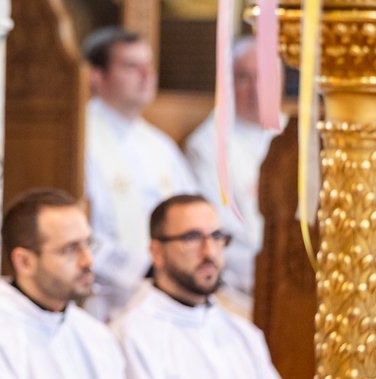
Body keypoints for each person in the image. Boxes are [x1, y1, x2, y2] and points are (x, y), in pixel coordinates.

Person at [82, 27, 198, 321]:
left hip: (170, 296)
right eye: (131, 66)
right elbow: (82, 233)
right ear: (97, 77)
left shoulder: (161, 146)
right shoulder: (79, 141)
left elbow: (194, 214)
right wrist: (150, 272)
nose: (146, 75)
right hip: (109, 303)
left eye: (149, 64)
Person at [111, 195, 281, 379]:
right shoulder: (132, 336)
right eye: (192, 238)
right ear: (157, 252)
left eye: (216, 236)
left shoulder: (244, 335)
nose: (210, 252)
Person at [0, 188, 125, 379]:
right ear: (24, 262)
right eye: (70, 249)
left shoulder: (96, 335)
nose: (88, 260)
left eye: (88, 243)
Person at [185, 36, 283, 299]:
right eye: (244, 78)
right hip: (242, 283)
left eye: (265, 77)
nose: (256, 89)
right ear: (227, 83)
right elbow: (221, 230)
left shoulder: (296, 137)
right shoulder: (208, 145)